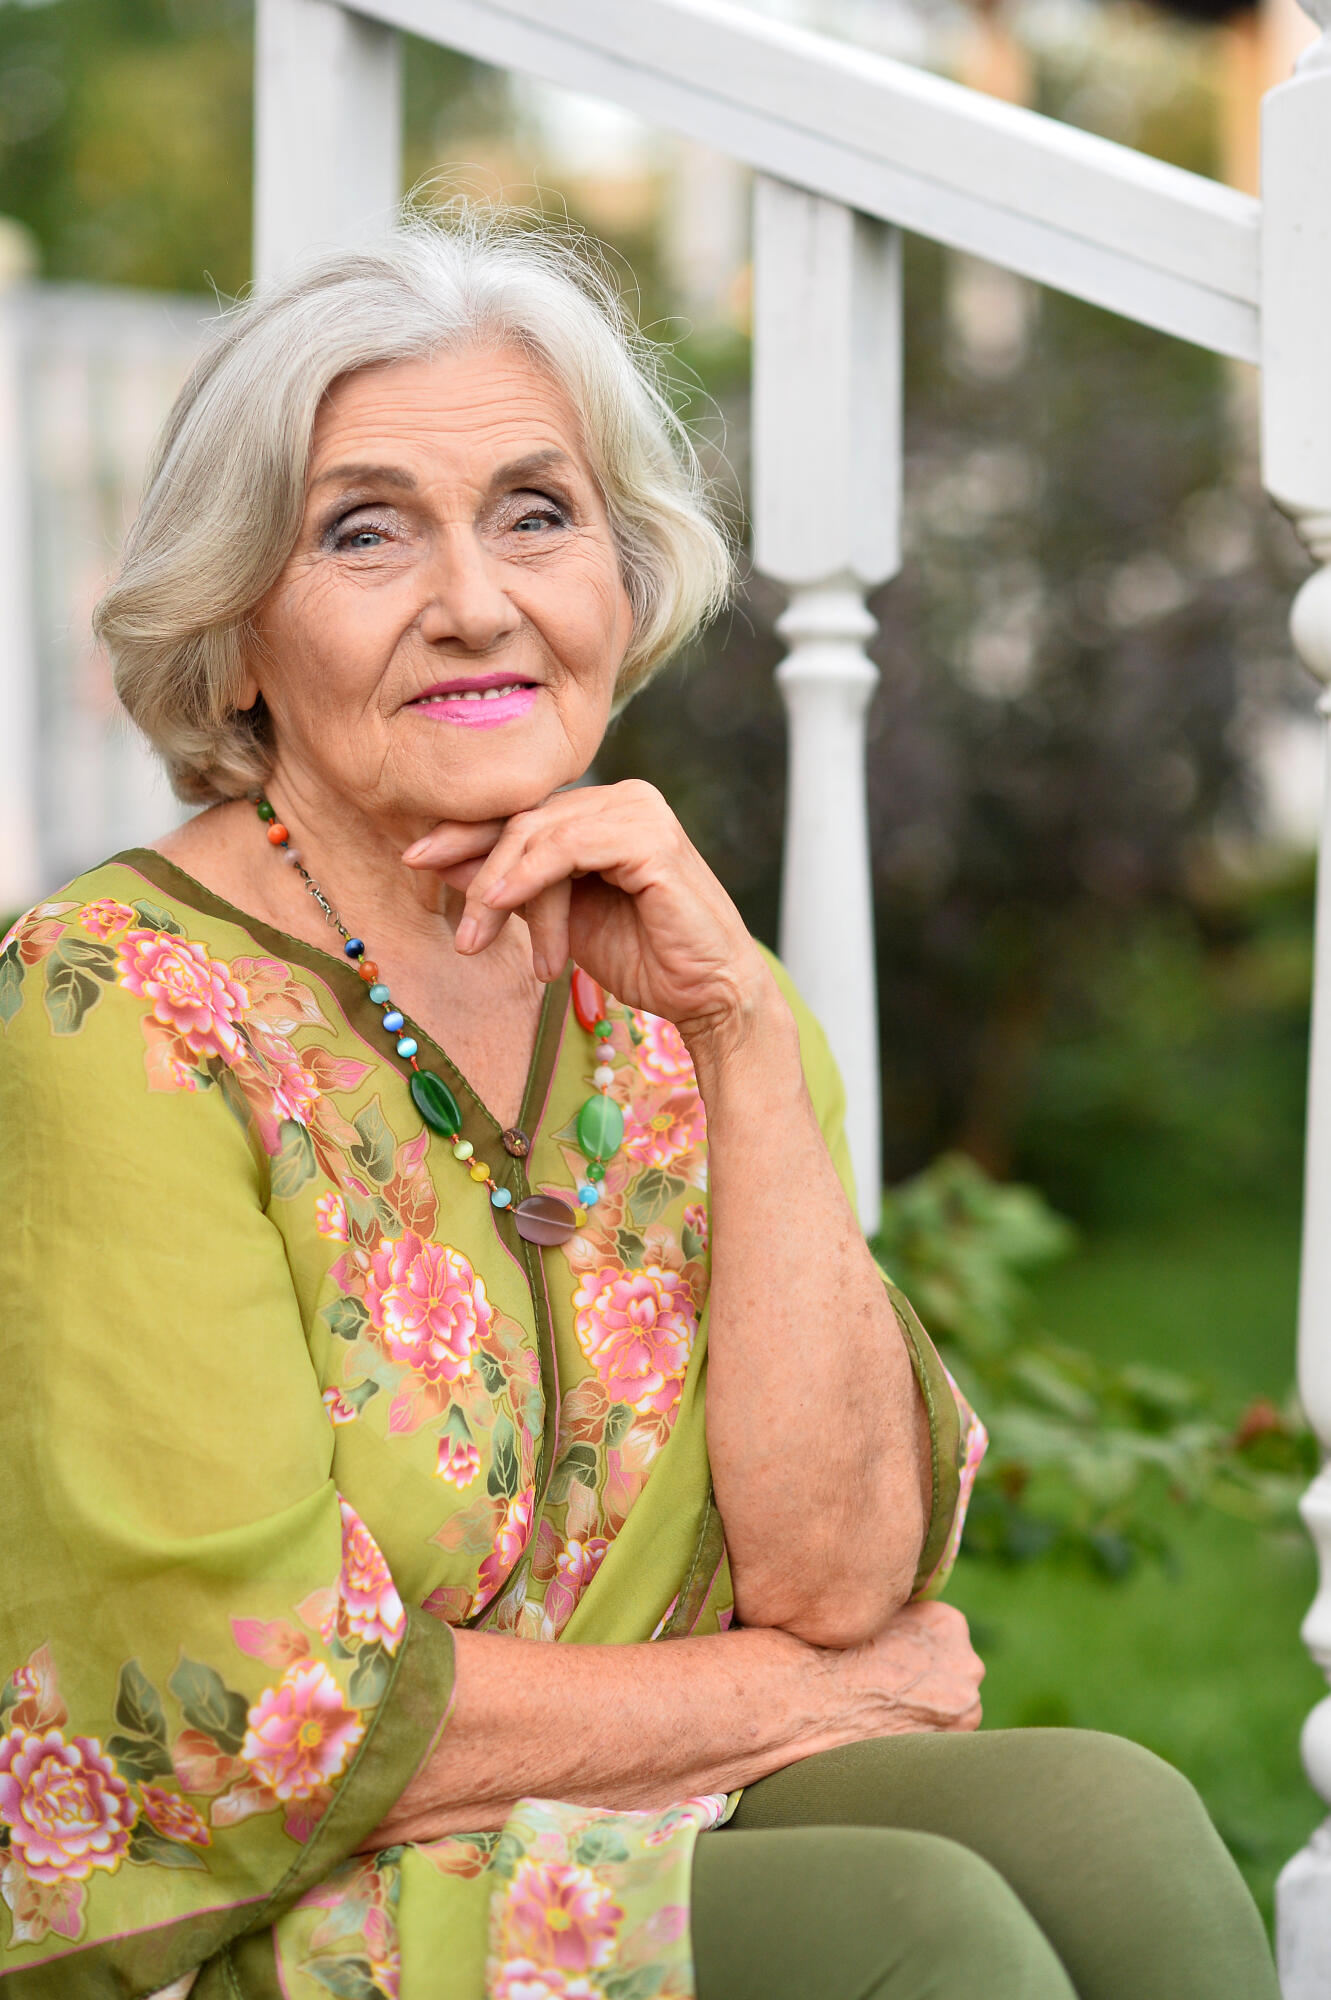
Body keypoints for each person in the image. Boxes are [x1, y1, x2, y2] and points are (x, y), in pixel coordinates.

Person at [0, 209, 1279, 2000]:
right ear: (230, 641)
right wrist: (798, 1701)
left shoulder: (678, 987)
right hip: (258, 1901)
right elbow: (251, 1711)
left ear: (624, 577)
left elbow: (840, 1576)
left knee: (1113, 1825)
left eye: (537, 512)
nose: (477, 599)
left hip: (626, 1808)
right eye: (367, 531)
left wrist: (744, 1029)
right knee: (924, 1938)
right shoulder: (115, 1006)